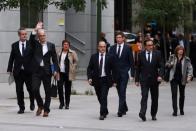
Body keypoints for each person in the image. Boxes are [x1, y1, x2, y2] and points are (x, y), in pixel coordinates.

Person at [30, 22, 59, 117]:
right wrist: (35, 30)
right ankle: (40, 105)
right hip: (36, 71)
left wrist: (56, 70)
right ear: (38, 37)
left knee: (48, 92)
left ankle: (46, 110)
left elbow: (55, 59)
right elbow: (31, 40)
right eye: (40, 36)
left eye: (44, 35)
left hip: (47, 71)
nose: (42, 37)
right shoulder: (35, 44)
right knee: (34, 89)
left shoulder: (51, 45)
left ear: (45, 36)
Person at [7, 27, 35, 114]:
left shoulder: (30, 44)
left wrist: (34, 32)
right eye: (23, 34)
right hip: (18, 72)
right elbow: (12, 58)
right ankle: (21, 107)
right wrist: (9, 68)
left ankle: (32, 102)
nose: (24, 36)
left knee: (30, 89)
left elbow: (33, 39)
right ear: (19, 35)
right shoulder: (14, 45)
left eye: (25, 34)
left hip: (28, 72)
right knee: (19, 90)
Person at [135, 39, 164, 121]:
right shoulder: (140, 54)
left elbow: (161, 66)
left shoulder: (157, 54)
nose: (151, 47)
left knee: (154, 98)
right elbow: (138, 68)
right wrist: (136, 80)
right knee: (144, 96)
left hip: (155, 80)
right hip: (144, 79)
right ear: (145, 46)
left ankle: (153, 114)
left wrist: (160, 76)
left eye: (152, 45)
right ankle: (142, 113)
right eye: (149, 45)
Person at [87, 41, 115, 120]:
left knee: (103, 96)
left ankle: (102, 114)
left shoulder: (110, 57)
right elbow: (89, 68)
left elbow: (114, 69)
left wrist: (114, 80)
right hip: (96, 80)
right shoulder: (94, 57)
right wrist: (89, 78)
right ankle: (105, 110)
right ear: (98, 47)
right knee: (99, 96)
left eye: (104, 47)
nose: (103, 48)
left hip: (106, 79)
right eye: (101, 47)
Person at [109, 31, 134, 117]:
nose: (118, 39)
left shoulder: (128, 48)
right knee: (119, 92)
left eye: (120, 37)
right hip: (115, 74)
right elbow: (109, 61)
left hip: (124, 74)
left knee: (122, 91)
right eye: (117, 37)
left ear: (123, 38)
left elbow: (131, 61)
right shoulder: (112, 48)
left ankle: (120, 111)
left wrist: (133, 75)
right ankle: (125, 107)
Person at [166, 45, 193, 116]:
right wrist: (170, 64)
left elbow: (190, 68)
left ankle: (181, 109)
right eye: (179, 50)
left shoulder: (186, 59)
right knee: (174, 94)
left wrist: (189, 76)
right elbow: (167, 64)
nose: (181, 51)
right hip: (173, 78)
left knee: (182, 95)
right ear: (176, 50)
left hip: (182, 79)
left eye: (182, 50)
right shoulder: (172, 57)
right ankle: (175, 110)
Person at [57, 39, 78, 110]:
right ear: (62, 45)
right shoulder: (59, 52)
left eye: (67, 45)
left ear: (69, 46)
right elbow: (56, 61)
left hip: (68, 73)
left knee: (67, 89)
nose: (65, 46)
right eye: (64, 44)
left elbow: (76, 61)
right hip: (60, 73)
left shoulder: (72, 53)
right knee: (59, 88)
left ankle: (67, 104)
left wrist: (73, 67)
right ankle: (61, 103)